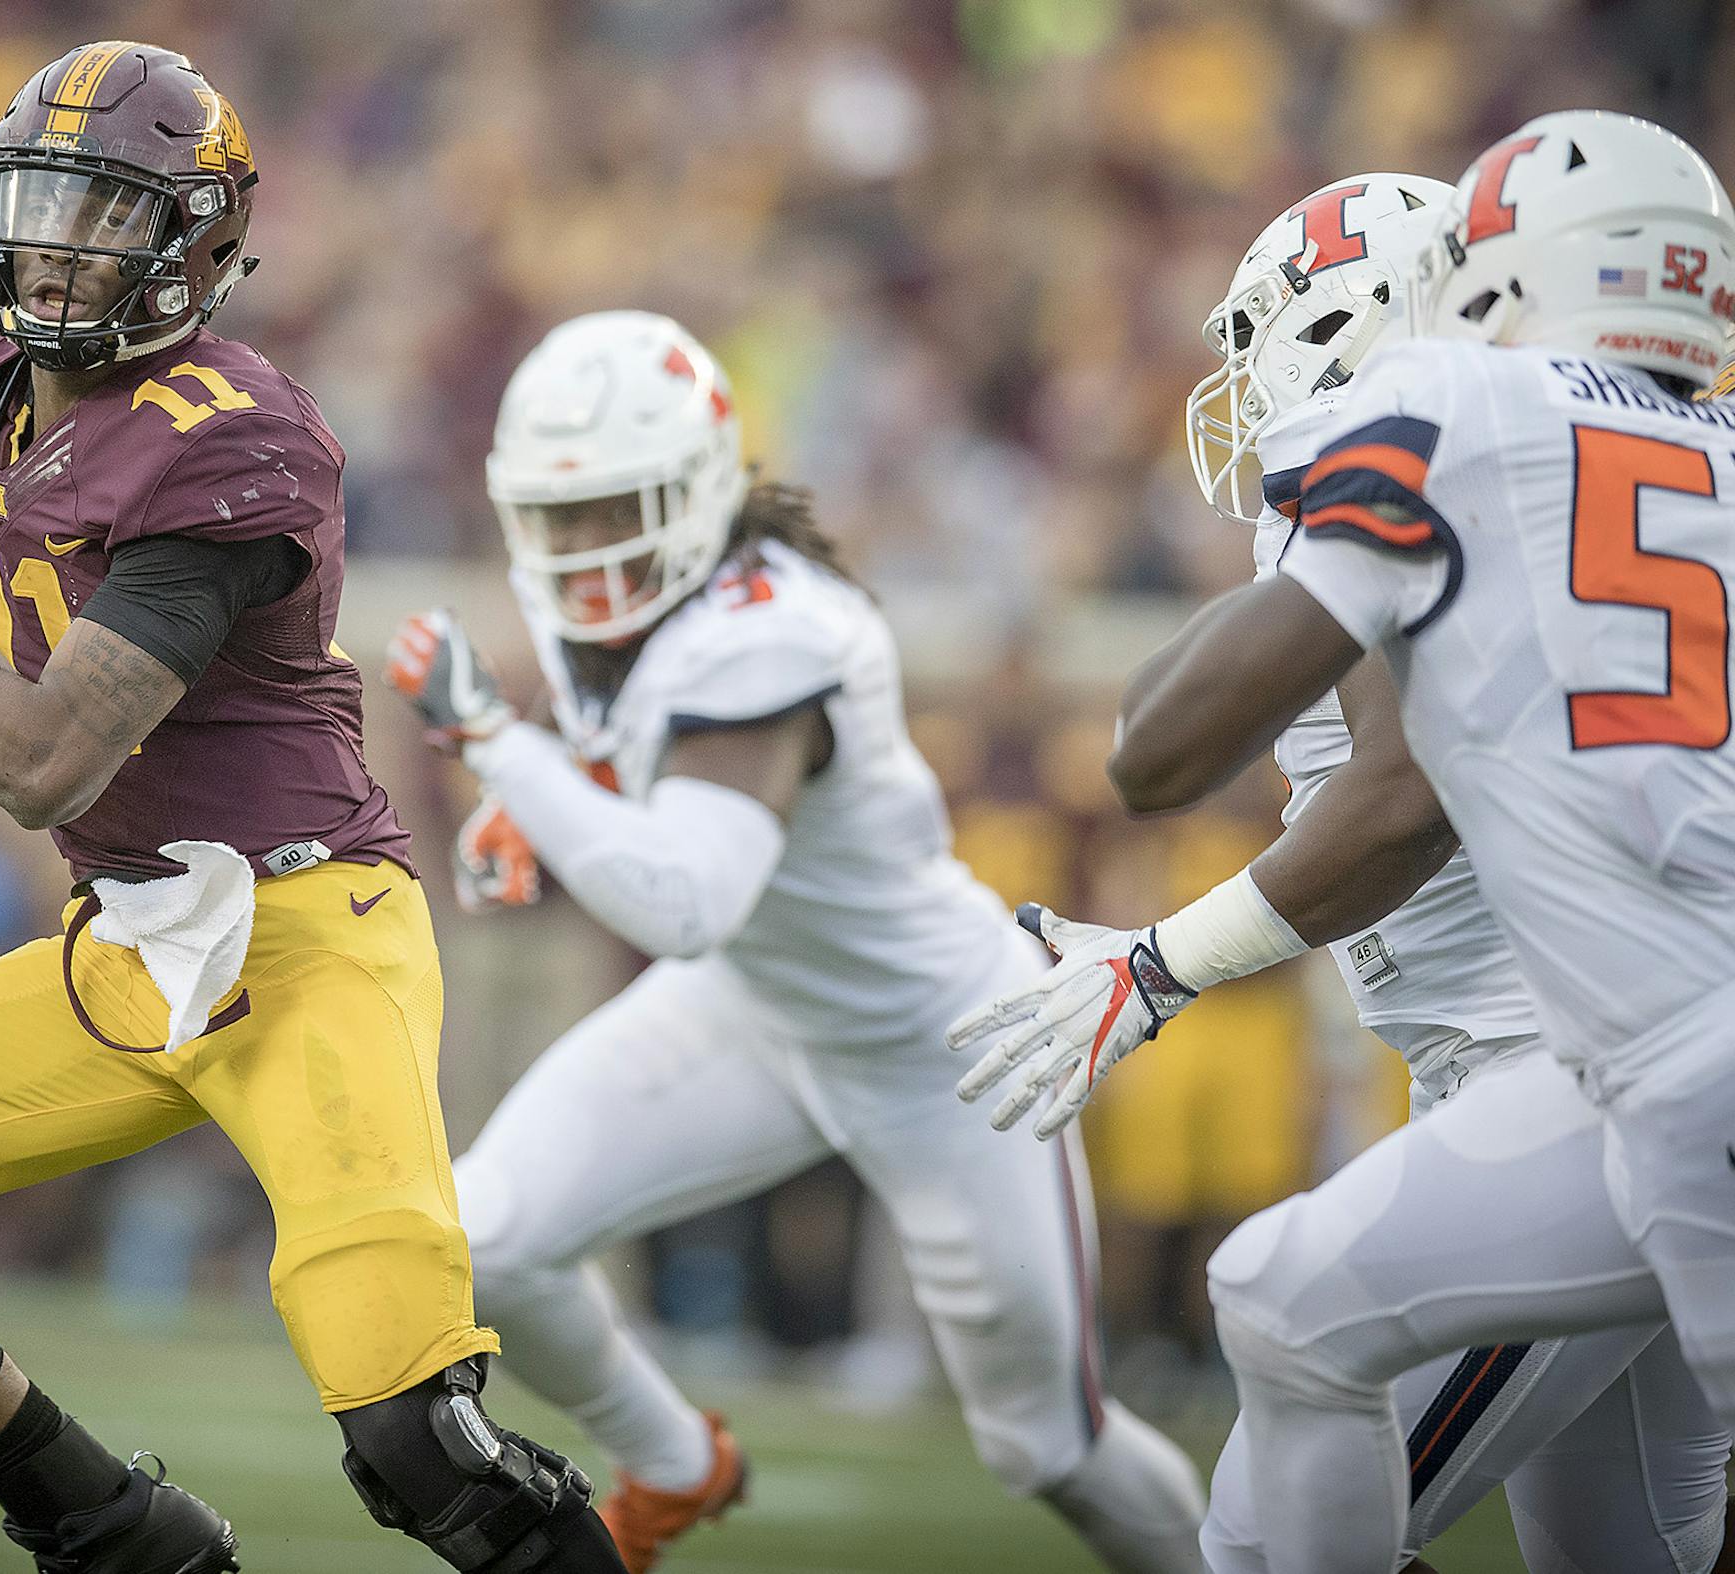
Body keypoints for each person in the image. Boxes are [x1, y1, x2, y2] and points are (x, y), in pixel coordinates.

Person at [0, 42, 623, 1574]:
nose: (55, 242)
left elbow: (44, 762)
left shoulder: (234, 443)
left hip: (308, 940)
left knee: (423, 1448)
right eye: (39, 199)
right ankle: (107, 1523)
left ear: (204, 249)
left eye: (105, 214)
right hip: (133, 947)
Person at [954, 110, 1735, 1574]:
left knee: (1273, 1441)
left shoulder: (1453, 415)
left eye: (1271, 341)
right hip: (1618, 1046)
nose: (1252, 392)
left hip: (1589, 1063)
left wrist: (1155, 966)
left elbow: (1370, 792)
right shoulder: (1669, 437)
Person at [386, 309, 1208, 1574]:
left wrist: (497, 744)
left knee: (1047, 1445)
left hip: (937, 1039)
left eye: (622, 507)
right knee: (485, 1237)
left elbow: (685, 898)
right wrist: (529, 799)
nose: (590, 545)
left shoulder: (774, 628)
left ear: (702, 487)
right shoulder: (613, 609)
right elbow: (634, 763)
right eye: (565, 513)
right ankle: (673, 1457)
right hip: (752, 1006)